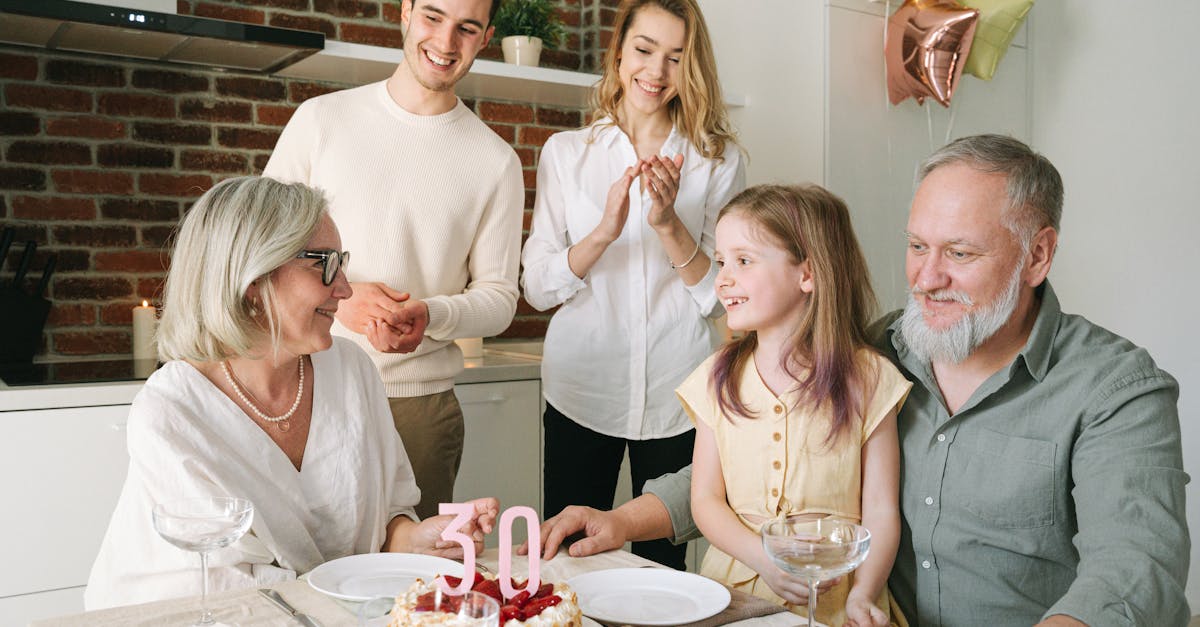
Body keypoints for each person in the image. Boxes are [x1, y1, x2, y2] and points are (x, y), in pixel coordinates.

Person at [526, 135, 1191, 627]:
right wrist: (621, 519)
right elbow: (748, 458)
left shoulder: (1116, 389)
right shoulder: (880, 347)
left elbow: (1135, 563)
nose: (926, 277)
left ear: (1038, 254)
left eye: (959, 253)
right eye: (917, 245)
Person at [84, 176, 497, 610]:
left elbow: (389, 518)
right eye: (324, 263)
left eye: (343, 263)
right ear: (252, 279)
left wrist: (416, 539)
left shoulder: (352, 371)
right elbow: (235, 588)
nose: (345, 288)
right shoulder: (173, 410)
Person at [263, 0, 523, 520]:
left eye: (466, 28)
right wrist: (343, 296)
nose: (446, 42)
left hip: (419, 408)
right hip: (304, 390)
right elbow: (259, 243)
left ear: (486, 37)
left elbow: (499, 299)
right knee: (302, 569)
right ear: (404, 12)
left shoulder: (496, 161)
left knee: (414, 583)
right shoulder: (321, 120)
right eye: (432, 16)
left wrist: (430, 315)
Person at [519, 0, 744, 571]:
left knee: (661, 577)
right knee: (571, 563)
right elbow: (539, 287)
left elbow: (723, 298)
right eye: (645, 51)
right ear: (619, 51)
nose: (656, 72)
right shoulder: (567, 154)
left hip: (677, 394)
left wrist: (670, 226)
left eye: (676, 58)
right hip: (580, 392)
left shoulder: (718, 161)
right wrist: (604, 232)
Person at [684, 185, 908, 625]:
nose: (723, 278)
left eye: (743, 261)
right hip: (735, 592)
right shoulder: (715, 377)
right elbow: (706, 500)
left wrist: (863, 594)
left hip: (838, 599)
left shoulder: (870, 378)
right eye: (721, 261)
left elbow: (881, 509)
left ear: (808, 274)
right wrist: (764, 559)